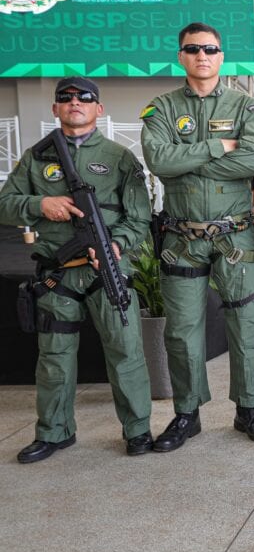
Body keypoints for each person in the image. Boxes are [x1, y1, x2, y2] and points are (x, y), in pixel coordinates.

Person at [0, 77, 153, 462]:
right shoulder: (36, 158)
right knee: (54, 356)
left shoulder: (120, 157)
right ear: (55, 108)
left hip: (107, 270)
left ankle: (138, 429)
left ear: (99, 109)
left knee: (126, 350)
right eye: (65, 98)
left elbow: (139, 216)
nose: (75, 102)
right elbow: (4, 204)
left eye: (85, 97)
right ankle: (54, 432)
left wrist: (116, 245)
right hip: (58, 275)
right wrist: (39, 205)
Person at [142, 22, 254, 451]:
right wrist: (219, 147)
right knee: (181, 330)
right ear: (181, 56)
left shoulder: (247, 107)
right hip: (181, 238)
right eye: (193, 49)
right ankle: (187, 413)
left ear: (221, 56)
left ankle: (248, 409)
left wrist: (187, 161)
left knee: (247, 326)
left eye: (210, 49)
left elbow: (253, 160)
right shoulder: (161, 108)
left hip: (235, 237)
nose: (202, 55)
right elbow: (159, 160)